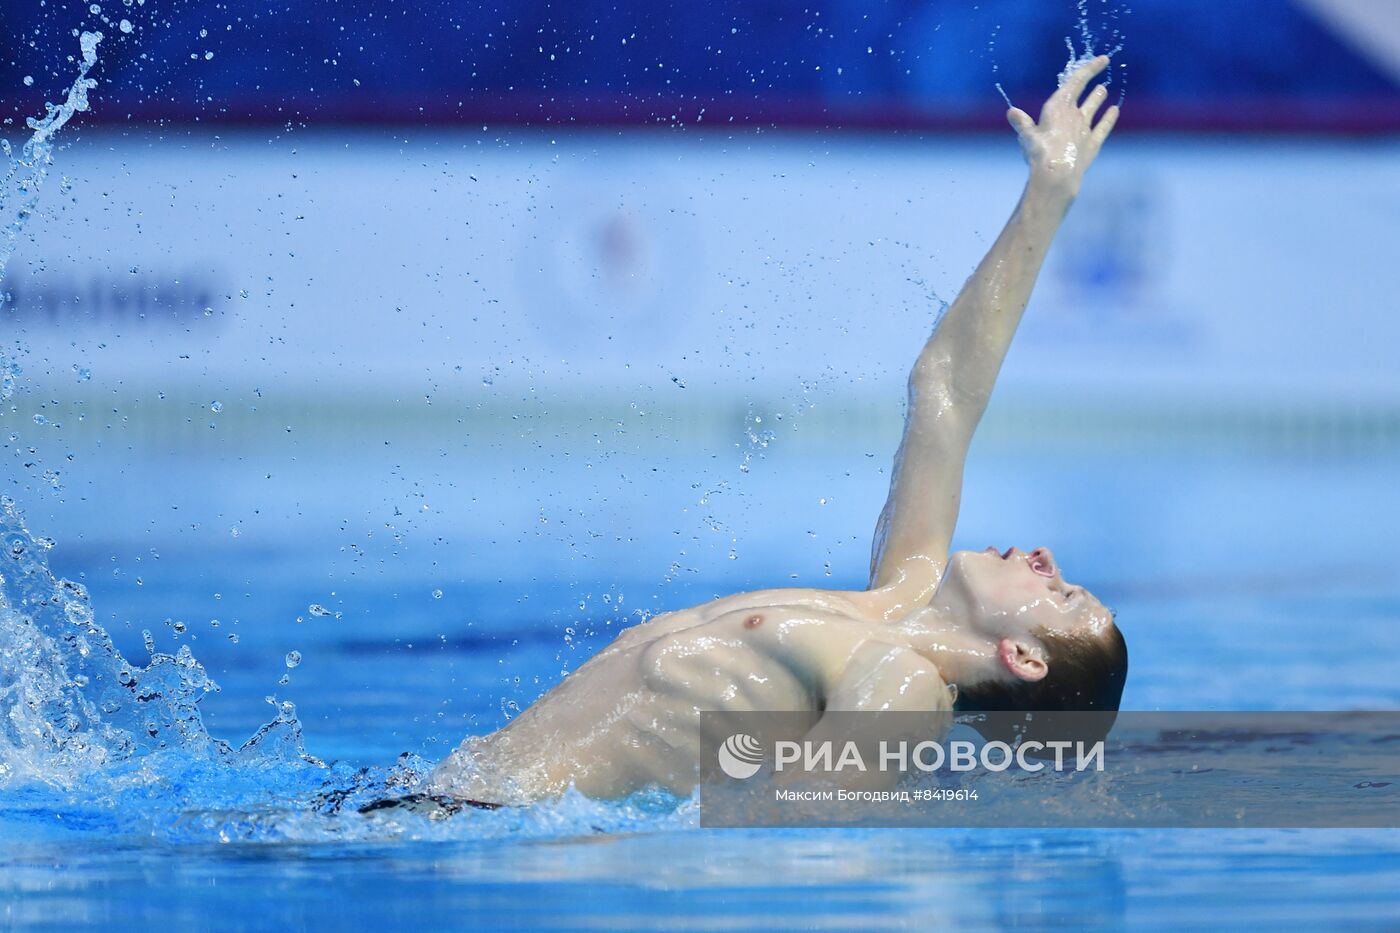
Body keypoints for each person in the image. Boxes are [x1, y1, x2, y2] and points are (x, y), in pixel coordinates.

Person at [422, 56, 1127, 808]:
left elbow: (798, 834)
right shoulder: (900, 596)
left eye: (1063, 594)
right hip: (438, 806)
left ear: (1022, 657)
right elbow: (945, 389)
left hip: (508, 839)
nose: (1047, 559)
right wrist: (1049, 192)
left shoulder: (905, 687)